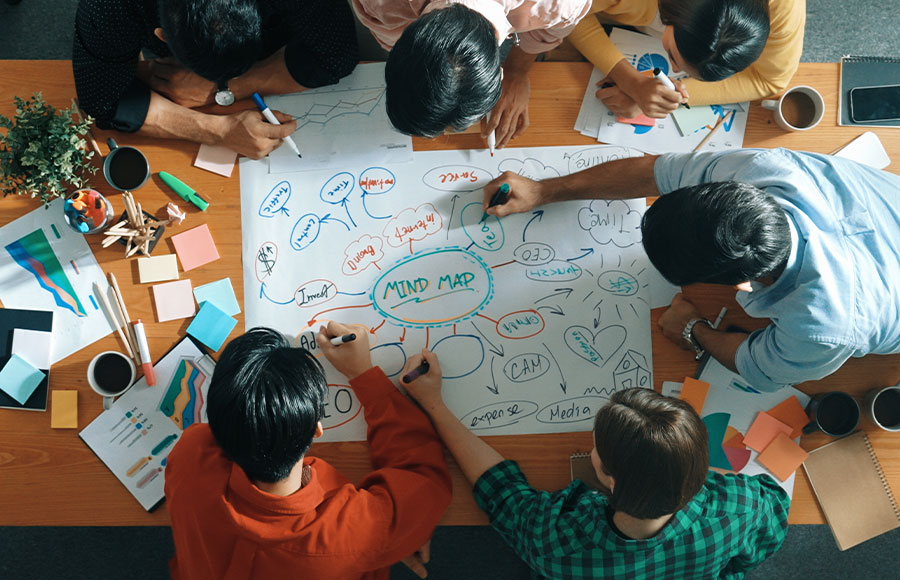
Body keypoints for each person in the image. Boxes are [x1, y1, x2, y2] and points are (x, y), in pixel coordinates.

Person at [481, 148, 900, 391]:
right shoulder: (762, 170)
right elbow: (657, 171)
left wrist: (693, 329)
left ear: (736, 285)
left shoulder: (825, 327)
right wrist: (545, 190)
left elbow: (758, 366)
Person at [401, 351, 790, 578]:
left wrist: (433, 404)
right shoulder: (740, 506)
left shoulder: (557, 543)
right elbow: (768, 529)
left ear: (606, 476)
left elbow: (502, 494)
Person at [164, 324, 452, 579]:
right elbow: (424, 479)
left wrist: (392, 537)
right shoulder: (355, 532)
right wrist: (363, 374)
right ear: (317, 429)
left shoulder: (191, 455)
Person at [73, 0, 358, 159]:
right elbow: (103, 98)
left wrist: (225, 88)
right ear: (161, 35)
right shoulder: (109, 6)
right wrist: (217, 130)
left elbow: (337, 54)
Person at [351, 0, 592, 146]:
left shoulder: (559, 5)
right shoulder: (383, 5)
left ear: (499, 75)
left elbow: (547, 33)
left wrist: (518, 70)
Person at [568, 0, 805, 119]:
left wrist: (671, 97)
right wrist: (628, 79)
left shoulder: (783, 8)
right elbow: (566, 14)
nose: (671, 70)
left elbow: (770, 81)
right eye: (672, 55)